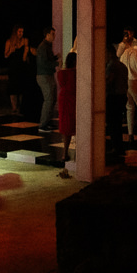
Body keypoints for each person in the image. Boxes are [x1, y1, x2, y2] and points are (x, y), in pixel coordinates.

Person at [55, 50, 78, 178]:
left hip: (63, 98)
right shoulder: (75, 73)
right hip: (72, 99)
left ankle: (65, 153)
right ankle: (78, 154)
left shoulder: (61, 73)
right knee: (75, 124)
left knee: (66, 126)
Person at [35, 27, 59, 132]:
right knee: (49, 99)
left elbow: (46, 61)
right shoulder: (43, 47)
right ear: (47, 35)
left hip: (47, 75)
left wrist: (54, 58)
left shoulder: (47, 46)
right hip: (44, 76)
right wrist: (56, 63)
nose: (54, 36)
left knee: (52, 99)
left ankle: (47, 123)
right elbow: (44, 63)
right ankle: (43, 125)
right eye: (52, 34)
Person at [3, 25, 30, 113]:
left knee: (21, 87)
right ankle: (14, 107)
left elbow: (25, 55)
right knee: (13, 88)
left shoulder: (25, 41)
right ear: (15, 32)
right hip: (13, 67)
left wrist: (25, 55)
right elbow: (5, 55)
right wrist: (11, 50)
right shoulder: (9, 42)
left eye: (22, 32)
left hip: (21, 67)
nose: (21, 34)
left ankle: (21, 106)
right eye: (19, 32)